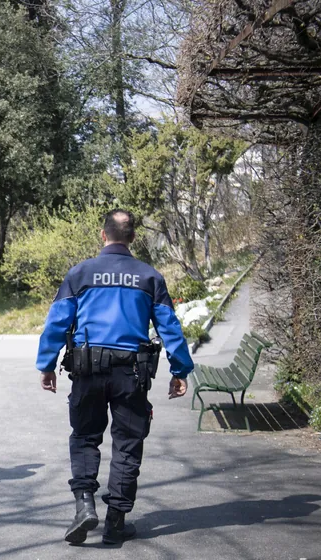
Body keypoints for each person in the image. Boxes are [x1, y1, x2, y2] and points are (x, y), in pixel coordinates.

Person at [36, 209, 194, 545]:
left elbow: (57, 323)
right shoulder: (149, 277)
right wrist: (180, 370)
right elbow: (169, 327)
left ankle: (84, 506)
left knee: (84, 438)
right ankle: (116, 522)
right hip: (131, 375)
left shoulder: (80, 274)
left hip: (87, 371)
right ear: (132, 238)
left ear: (103, 234)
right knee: (127, 445)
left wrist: (47, 365)